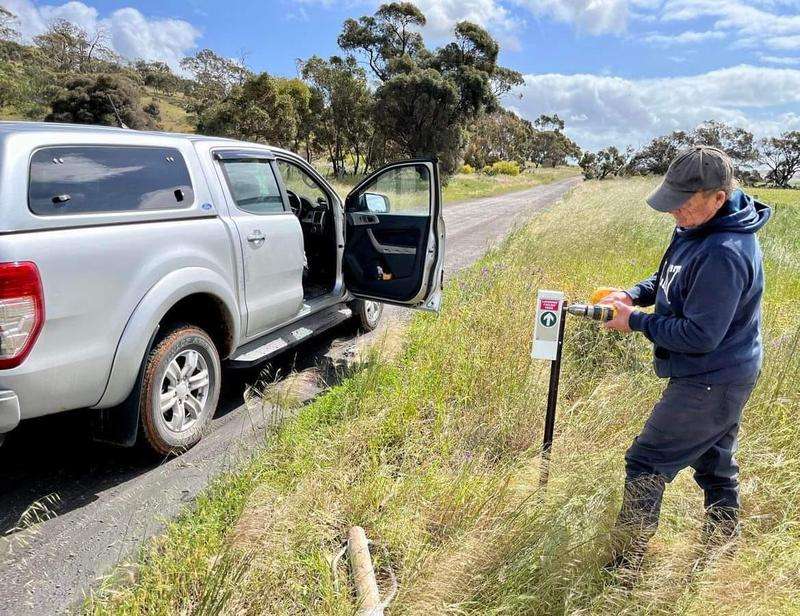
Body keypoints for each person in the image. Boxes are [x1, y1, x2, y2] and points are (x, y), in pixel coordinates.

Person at [601, 145, 771, 569]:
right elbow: (668, 275)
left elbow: (699, 335)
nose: (674, 212)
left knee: (646, 461)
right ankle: (723, 546)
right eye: (671, 201)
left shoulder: (726, 252)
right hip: (720, 372)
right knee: (714, 464)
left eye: (683, 204)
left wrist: (635, 322)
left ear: (718, 196)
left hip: (713, 377)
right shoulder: (695, 227)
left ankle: (625, 566)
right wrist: (633, 293)